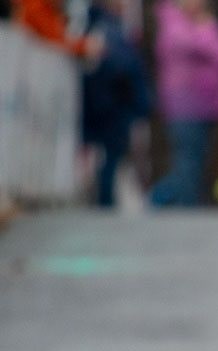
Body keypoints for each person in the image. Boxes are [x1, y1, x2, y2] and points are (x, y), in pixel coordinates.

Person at [149, 0, 218, 207]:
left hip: (207, 105)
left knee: (196, 161)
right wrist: (206, 28)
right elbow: (197, 45)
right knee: (187, 160)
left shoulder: (199, 24)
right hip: (184, 105)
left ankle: (182, 204)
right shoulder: (172, 23)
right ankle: (175, 205)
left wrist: (207, 28)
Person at [80, 0, 150, 207]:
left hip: (110, 102)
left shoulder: (108, 25)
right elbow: (120, 65)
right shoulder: (105, 26)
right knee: (109, 156)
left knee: (110, 157)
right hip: (111, 103)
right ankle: (104, 202)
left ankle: (105, 200)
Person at [15, 0, 104, 58]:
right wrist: (85, 46)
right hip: (31, 59)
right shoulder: (35, 6)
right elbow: (54, 39)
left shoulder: (53, 8)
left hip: (42, 56)